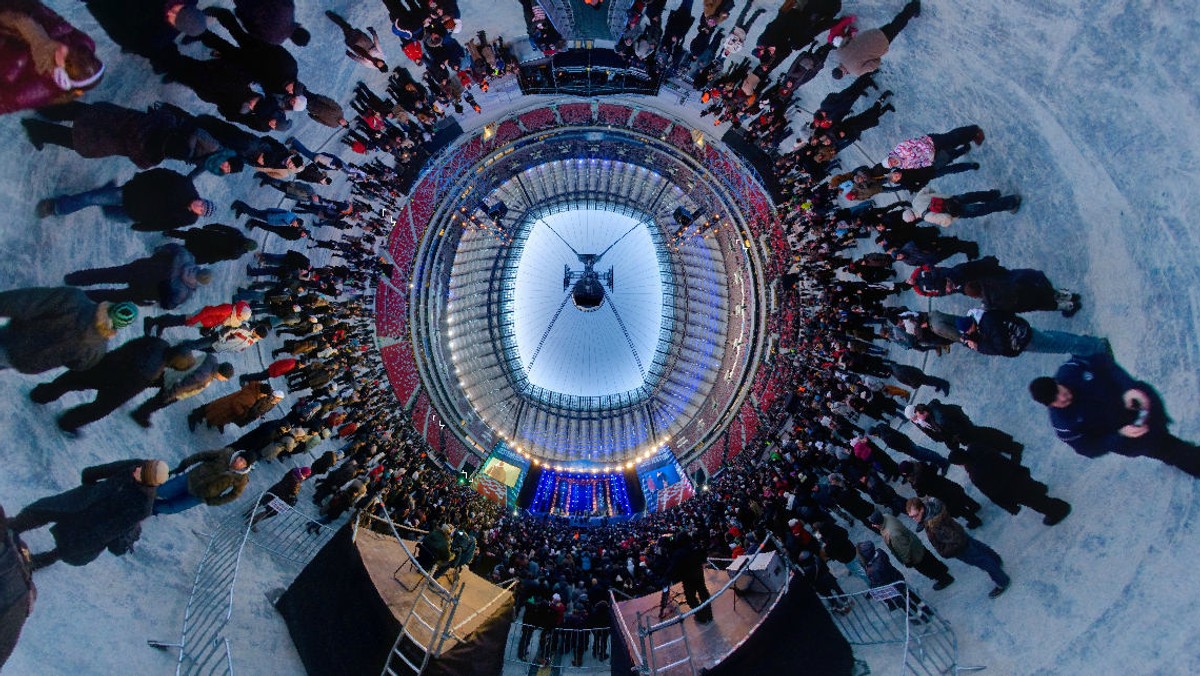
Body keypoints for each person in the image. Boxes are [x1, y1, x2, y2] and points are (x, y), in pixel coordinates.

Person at [1029, 353, 1200, 476]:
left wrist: (1128, 388)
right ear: (1049, 405)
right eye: (1057, 400)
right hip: (1132, 438)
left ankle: (1176, 451)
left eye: (1060, 390)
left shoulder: (1071, 369)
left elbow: (1105, 363)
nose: (1064, 397)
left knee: (1166, 440)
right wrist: (1119, 435)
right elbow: (1089, 448)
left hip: (1142, 406)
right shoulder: (1064, 425)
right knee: (1169, 449)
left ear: (1056, 381)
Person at [6, 459, 169, 569]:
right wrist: (89, 484)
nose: (137, 469)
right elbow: (101, 471)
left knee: (67, 544)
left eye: (142, 471)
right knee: (42, 511)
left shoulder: (142, 507)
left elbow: (110, 530)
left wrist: (86, 542)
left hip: (92, 524)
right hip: (84, 501)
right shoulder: (138, 465)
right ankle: (11, 528)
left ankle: (40, 559)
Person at [29, 335, 193, 434]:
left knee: (72, 379)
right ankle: (68, 421)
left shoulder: (157, 342)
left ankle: (42, 394)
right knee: (98, 409)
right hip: (119, 385)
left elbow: (129, 345)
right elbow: (125, 392)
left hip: (108, 364)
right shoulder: (154, 372)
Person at [0, 287, 136, 374]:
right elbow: (78, 365)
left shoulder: (72, 299)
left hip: (11, 337)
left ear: (110, 306)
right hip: (24, 361)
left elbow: (25, 302)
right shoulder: (96, 350)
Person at [37, 168, 214, 231]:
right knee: (91, 198)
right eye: (202, 204)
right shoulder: (185, 186)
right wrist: (140, 179)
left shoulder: (188, 218)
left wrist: (142, 226)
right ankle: (56, 207)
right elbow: (162, 174)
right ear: (202, 199)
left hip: (134, 214)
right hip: (130, 193)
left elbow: (164, 224)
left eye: (201, 210)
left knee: (108, 214)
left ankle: (107, 188)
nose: (199, 207)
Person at [906, 497, 1009, 598]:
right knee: (980, 547)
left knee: (982, 561)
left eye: (915, 515)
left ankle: (1002, 581)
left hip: (959, 547)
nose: (914, 519)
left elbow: (953, 540)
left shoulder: (935, 525)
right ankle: (996, 560)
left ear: (922, 509)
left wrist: (945, 552)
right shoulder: (934, 507)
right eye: (911, 517)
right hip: (960, 534)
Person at [63, 244, 212, 309]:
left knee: (106, 283)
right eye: (196, 272)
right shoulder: (183, 289)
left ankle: (75, 287)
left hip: (140, 280)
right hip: (140, 282)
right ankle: (76, 288)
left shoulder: (185, 262)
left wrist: (155, 257)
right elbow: (168, 305)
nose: (192, 272)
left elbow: (169, 247)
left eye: (196, 274)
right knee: (108, 286)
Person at [130, 353, 234, 427]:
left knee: (152, 381)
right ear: (220, 373)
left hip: (174, 374)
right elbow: (184, 385)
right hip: (174, 390)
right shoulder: (204, 377)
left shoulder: (211, 358)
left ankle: (132, 384)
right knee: (157, 403)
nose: (223, 381)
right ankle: (140, 414)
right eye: (224, 378)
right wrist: (170, 395)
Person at [954, 310, 1108, 358]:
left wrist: (979, 346)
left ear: (970, 327)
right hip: (1022, 331)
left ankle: (1098, 347)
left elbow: (1000, 348)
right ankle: (1089, 344)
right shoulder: (982, 318)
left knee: (1058, 344)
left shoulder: (988, 325)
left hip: (1024, 339)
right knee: (1055, 338)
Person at [830, 1, 920, 79]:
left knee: (896, 26)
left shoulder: (856, 71)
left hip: (880, 44)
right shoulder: (839, 54)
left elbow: (874, 65)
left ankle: (912, 7)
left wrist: (876, 54)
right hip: (869, 35)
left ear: (844, 74)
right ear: (836, 67)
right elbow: (846, 39)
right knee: (891, 26)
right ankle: (910, 9)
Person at [867, 510, 954, 589]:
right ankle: (942, 569)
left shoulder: (892, 534)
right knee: (929, 559)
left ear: (878, 523)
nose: (872, 525)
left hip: (913, 555)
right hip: (915, 544)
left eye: (874, 524)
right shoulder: (887, 516)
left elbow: (903, 550)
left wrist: (907, 561)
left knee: (927, 568)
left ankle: (945, 579)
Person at [153, 448, 253, 514]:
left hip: (200, 496)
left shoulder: (242, 479)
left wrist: (213, 501)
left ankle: (149, 508)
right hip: (190, 479)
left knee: (171, 508)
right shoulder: (225, 454)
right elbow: (202, 456)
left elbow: (234, 495)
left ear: (246, 466)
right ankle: (142, 497)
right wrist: (183, 466)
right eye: (240, 458)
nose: (238, 462)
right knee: (161, 491)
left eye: (243, 462)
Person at [187, 382, 282, 432]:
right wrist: (242, 413)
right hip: (227, 406)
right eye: (265, 395)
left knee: (211, 408)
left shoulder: (254, 389)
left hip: (227, 402)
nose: (265, 397)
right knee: (211, 410)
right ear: (262, 393)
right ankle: (194, 417)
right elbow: (236, 404)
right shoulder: (251, 398)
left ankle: (199, 416)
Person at [668, 530, 712, 623]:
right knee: (703, 593)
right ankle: (709, 614)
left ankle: (701, 617)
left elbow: (674, 569)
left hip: (687, 579)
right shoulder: (696, 546)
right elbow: (704, 557)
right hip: (699, 574)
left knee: (691, 599)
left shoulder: (678, 553)